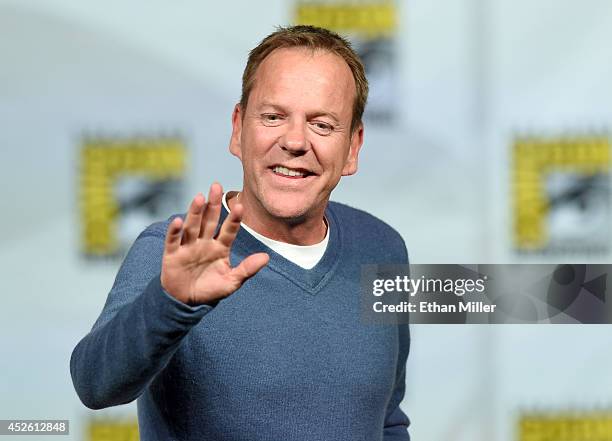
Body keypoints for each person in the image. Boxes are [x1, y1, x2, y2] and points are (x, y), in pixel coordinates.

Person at [71, 25, 410, 441]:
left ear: (353, 147)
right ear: (238, 128)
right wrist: (171, 302)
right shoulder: (173, 249)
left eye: (322, 125)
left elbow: (387, 419)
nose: (295, 141)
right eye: (273, 117)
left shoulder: (383, 247)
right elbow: (94, 385)